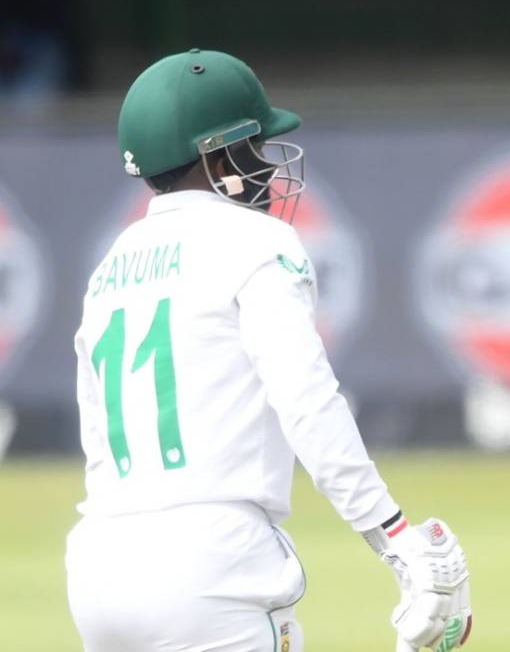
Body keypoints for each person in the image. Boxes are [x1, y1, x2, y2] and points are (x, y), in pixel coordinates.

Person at [66, 49, 473, 652]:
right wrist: (393, 535)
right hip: (211, 560)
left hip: (98, 564)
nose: (265, 164)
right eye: (253, 145)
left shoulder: (110, 268)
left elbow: (95, 434)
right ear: (217, 154)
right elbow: (306, 398)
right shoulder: (256, 240)